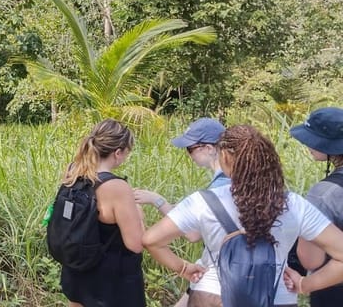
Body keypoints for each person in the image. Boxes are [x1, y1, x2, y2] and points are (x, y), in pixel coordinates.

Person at [143, 125, 343, 306]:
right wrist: (305, 284)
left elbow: (151, 240)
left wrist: (184, 268)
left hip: (212, 295)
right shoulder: (295, 204)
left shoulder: (202, 201)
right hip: (277, 297)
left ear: (226, 158)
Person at [134, 118, 227, 306]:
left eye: (191, 148)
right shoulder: (239, 180)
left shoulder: (220, 188)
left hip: (217, 280)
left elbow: (193, 234)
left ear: (209, 148)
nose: (189, 154)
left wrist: (157, 200)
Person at [53, 119, 145, 307]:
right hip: (110, 283)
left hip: (76, 271)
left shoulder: (73, 172)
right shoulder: (116, 187)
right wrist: (139, 212)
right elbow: (135, 244)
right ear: (117, 153)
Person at [291, 107, 343, 306]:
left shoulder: (323, 194)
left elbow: (310, 260)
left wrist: (304, 284)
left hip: (333, 293)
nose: (307, 145)